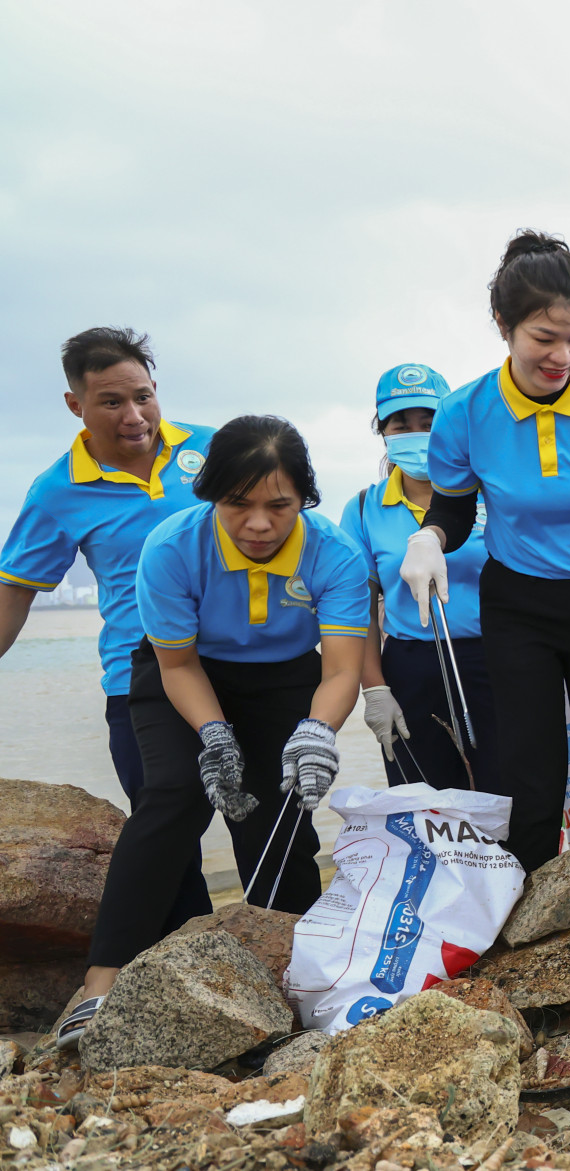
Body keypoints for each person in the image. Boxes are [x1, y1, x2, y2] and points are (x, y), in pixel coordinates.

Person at [57, 416, 367, 1047]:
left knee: (278, 816)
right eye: (237, 504)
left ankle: (294, 980)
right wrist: (215, 735)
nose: (258, 524)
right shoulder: (172, 548)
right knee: (173, 797)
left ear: (304, 499)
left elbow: (340, 670)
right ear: (211, 497)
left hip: (284, 680)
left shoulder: (335, 554)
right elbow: (176, 662)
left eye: (278, 506)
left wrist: (317, 731)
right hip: (185, 676)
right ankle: (102, 984)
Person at [405, 231, 570, 873]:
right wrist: (428, 538)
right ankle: (526, 918)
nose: (563, 355)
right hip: (517, 603)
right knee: (530, 772)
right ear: (503, 325)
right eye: (543, 338)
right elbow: (452, 505)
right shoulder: (466, 410)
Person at [0, 327, 216, 931]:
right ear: (76, 405)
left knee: (269, 816)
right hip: (138, 675)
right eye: (112, 402)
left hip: (239, 663)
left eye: (143, 397)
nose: (135, 416)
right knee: (167, 833)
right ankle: (190, 975)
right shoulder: (55, 490)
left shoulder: (212, 448)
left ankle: (292, 955)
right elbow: (15, 590)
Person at [338, 363, 499, 791]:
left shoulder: (490, 494)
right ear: (383, 431)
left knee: (504, 794)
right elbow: (360, 612)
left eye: (429, 423)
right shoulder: (362, 509)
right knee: (422, 800)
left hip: (497, 659)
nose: (415, 433)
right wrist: (375, 689)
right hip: (411, 666)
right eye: (401, 423)